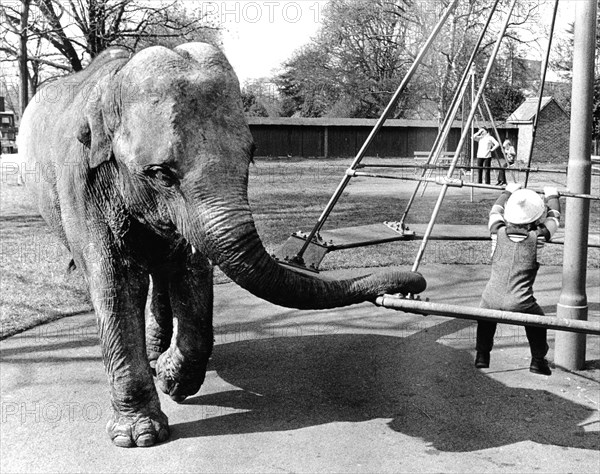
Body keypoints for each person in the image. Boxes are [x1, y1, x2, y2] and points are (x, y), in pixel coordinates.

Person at [475, 182, 561, 376]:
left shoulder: (496, 232)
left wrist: (508, 191)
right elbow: (555, 217)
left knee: (485, 316)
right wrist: (552, 196)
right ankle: (538, 360)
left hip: (491, 296)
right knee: (538, 321)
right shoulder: (538, 237)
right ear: (535, 219)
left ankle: (482, 354)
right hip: (520, 300)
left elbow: (495, 210)